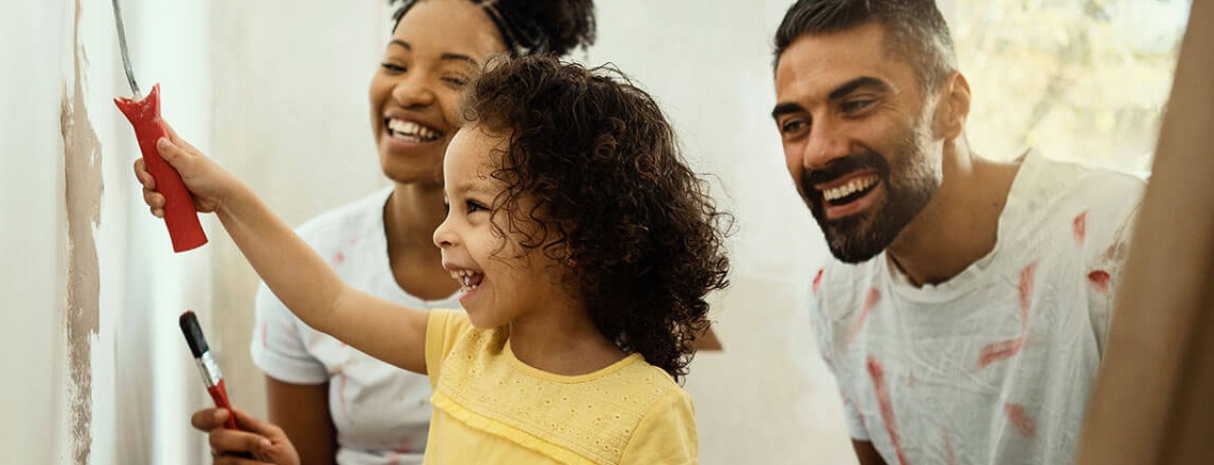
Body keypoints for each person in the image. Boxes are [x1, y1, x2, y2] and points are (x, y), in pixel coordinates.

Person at [141, 55, 729, 464]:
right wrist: (225, 198)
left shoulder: (648, 412)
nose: (443, 232)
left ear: (574, 227)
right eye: (448, 206)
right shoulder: (463, 351)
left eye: (474, 207)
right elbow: (329, 301)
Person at [767, 1, 1144, 464]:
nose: (819, 152)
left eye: (857, 105)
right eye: (794, 125)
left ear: (952, 107)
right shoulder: (837, 299)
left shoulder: (1116, 238)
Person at [224, 1, 596, 464]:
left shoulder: (572, 277)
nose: (410, 91)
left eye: (456, 78)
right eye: (394, 64)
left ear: (530, 108)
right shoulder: (302, 270)